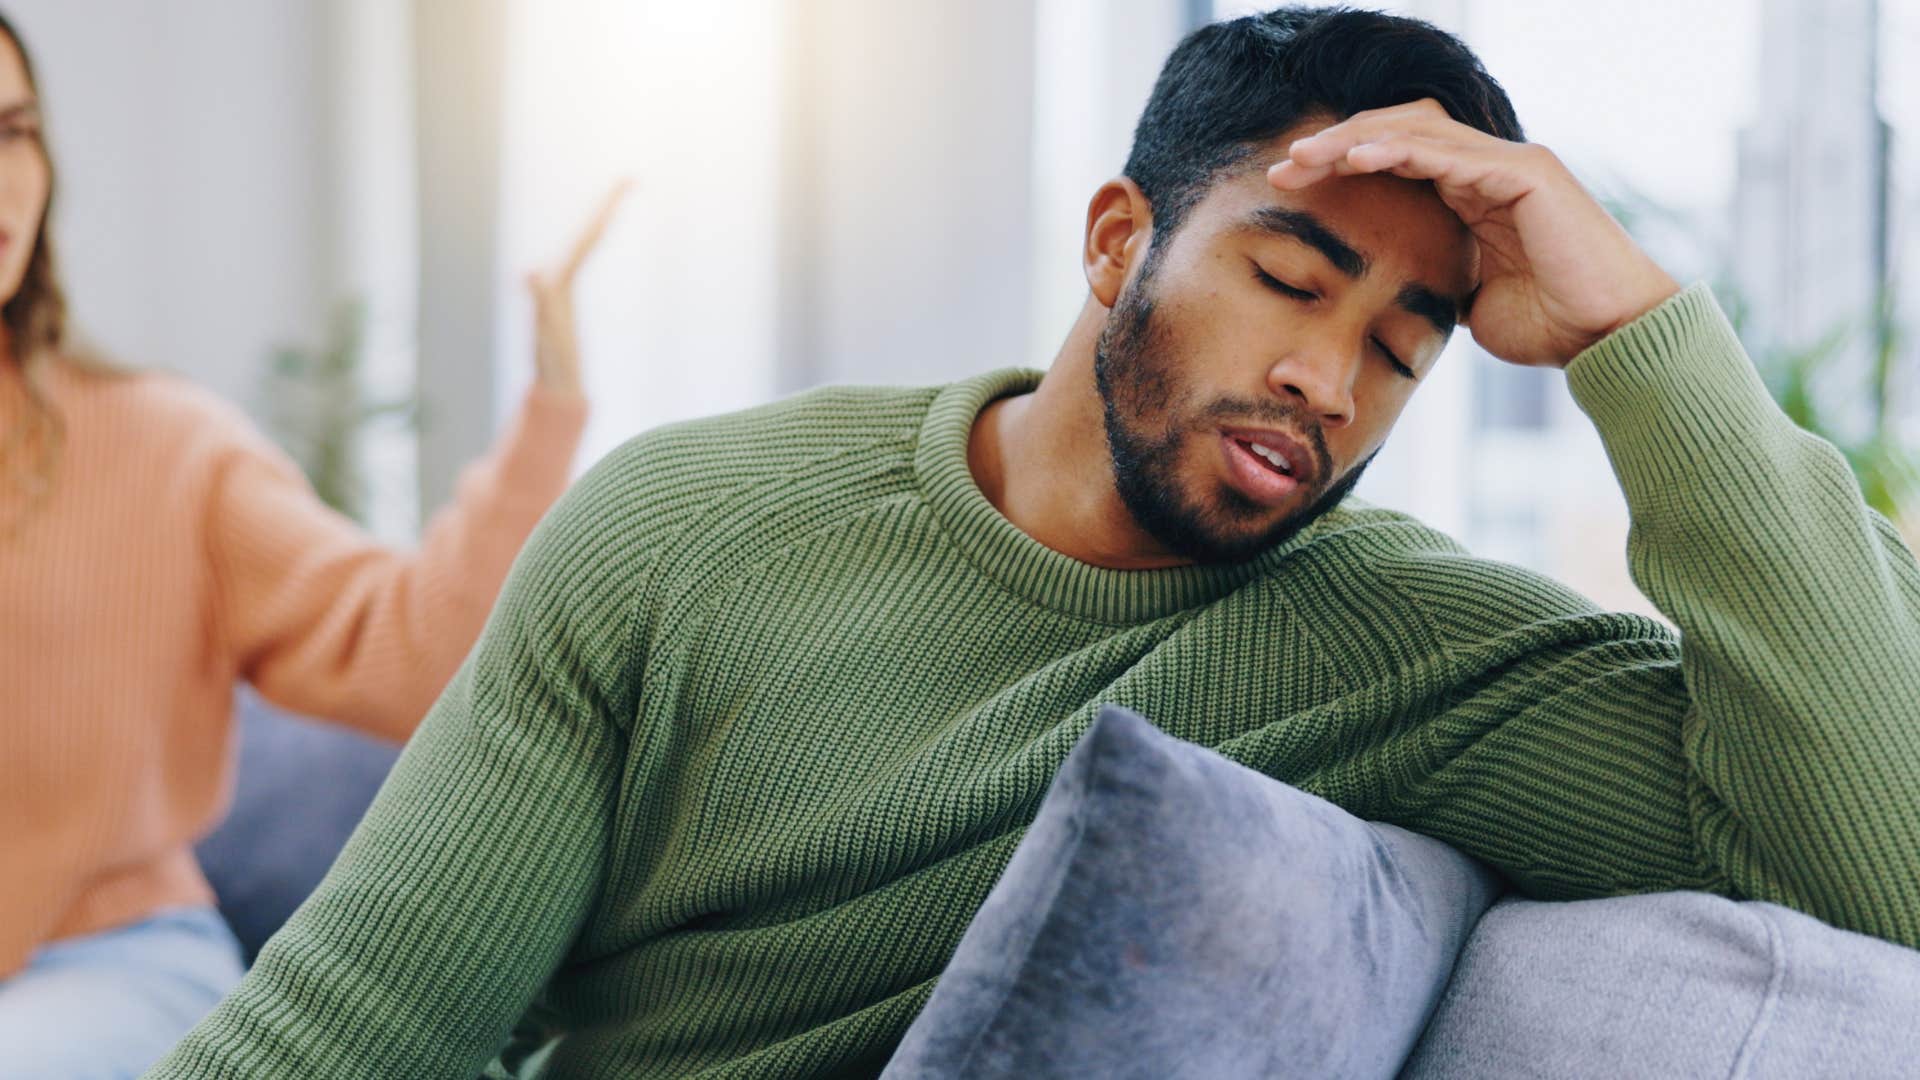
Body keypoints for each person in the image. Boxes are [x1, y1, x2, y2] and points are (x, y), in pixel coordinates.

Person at [155, 7, 1920, 1080]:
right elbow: (353, 1024)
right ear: (1116, 242)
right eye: (1288, 280)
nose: (1325, 379)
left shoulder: (1416, 652)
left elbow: (1885, 872)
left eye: (1400, 350)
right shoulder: (682, 527)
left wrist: (1641, 343)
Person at [0, 9, 627, 1077]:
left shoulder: (167, 449)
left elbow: (421, 652)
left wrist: (548, 413)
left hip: (117, 963)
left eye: (14, 132)